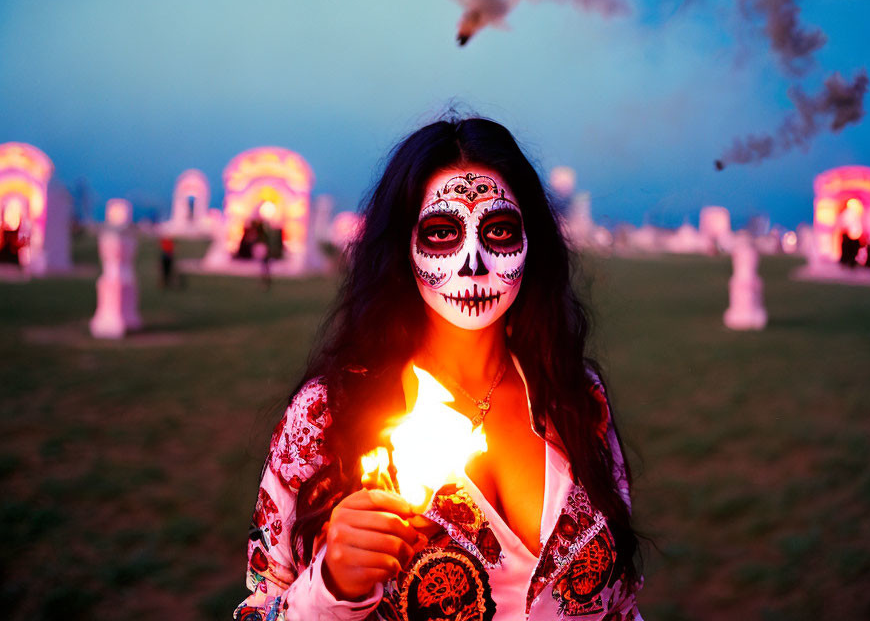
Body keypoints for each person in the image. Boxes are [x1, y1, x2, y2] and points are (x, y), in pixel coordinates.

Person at [235, 117, 643, 620]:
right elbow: (259, 608)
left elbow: (623, 608)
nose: (474, 264)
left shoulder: (579, 398)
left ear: (531, 243)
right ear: (401, 248)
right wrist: (331, 587)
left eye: (498, 230)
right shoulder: (324, 418)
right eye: (443, 233)